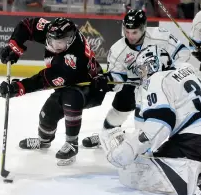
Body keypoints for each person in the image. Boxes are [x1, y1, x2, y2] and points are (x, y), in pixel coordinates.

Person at [0, 17, 112, 166]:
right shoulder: (53, 32)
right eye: (52, 41)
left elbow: (43, 80)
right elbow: (27, 25)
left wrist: (19, 87)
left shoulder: (73, 59)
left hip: (90, 88)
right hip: (69, 84)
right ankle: (44, 141)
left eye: (61, 42)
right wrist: (15, 48)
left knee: (71, 98)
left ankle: (72, 144)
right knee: (47, 114)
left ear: (70, 40)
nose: (55, 45)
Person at [82, 9, 200, 148]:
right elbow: (117, 77)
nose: (130, 36)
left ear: (143, 29)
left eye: (134, 32)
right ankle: (107, 134)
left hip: (165, 84)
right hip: (135, 85)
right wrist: (108, 80)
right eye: (127, 31)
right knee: (120, 107)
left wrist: (169, 73)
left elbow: (183, 55)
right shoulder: (117, 50)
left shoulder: (161, 36)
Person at [100, 45, 201, 195]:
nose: (143, 74)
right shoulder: (187, 68)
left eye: (143, 69)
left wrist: (128, 150)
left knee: (147, 166)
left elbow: (159, 124)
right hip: (194, 134)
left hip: (193, 141)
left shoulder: (157, 79)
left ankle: (196, 178)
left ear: (154, 63)